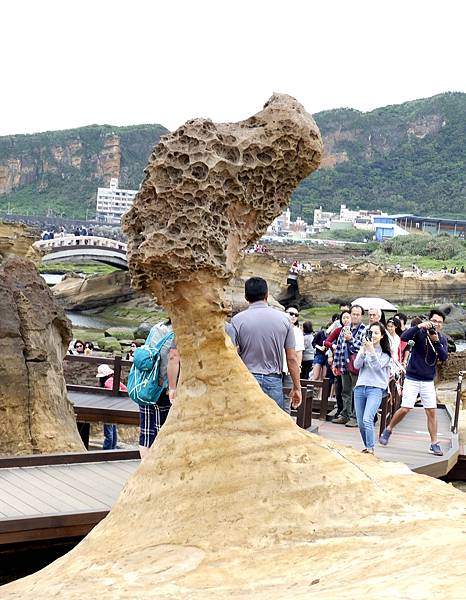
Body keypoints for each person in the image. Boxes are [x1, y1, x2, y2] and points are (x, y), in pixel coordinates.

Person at [379, 309, 448, 456]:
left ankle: (434, 443)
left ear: (442, 325)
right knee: (405, 408)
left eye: (440, 322)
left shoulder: (441, 339)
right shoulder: (420, 333)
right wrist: (419, 326)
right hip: (412, 377)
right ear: (430, 321)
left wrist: (436, 342)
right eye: (434, 321)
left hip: (428, 380)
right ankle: (389, 429)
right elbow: (404, 337)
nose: (436, 324)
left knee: (431, 412)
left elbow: (444, 357)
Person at [231, 277, 301, 412]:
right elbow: (292, 358)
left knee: (246, 424)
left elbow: (232, 354)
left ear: (246, 296)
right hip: (273, 380)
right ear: (267, 294)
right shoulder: (284, 320)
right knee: (274, 428)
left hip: (247, 379)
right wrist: (297, 387)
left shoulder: (237, 320)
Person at [138, 322, 180, 459]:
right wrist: (173, 387)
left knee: (146, 432)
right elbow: (173, 358)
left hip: (147, 385)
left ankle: (144, 468)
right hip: (164, 387)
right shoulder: (179, 331)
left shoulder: (157, 327)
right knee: (163, 431)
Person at [353, 322, 392, 454]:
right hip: (360, 387)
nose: (373, 335)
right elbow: (356, 365)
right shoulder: (364, 347)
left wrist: (371, 350)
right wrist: (364, 349)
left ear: (382, 336)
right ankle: (367, 446)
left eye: (376, 333)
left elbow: (377, 366)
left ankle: (370, 448)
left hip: (375, 389)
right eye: (371, 332)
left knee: (367, 418)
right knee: (360, 422)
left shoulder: (386, 353)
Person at [331, 305, 366, 427]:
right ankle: (345, 414)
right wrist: (336, 364)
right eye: (353, 314)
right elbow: (339, 347)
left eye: (358, 314)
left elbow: (363, 348)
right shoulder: (344, 329)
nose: (355, 316)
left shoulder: (364, 330)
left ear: (361, 316)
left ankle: (355, 417)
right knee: (345, 391)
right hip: (344, 364)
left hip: (357, 367)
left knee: (356, 392)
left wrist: (351, 339)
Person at [325, 310, 352, 417]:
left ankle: (348, 412)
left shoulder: (354, 330)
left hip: (351, 364)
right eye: (343, 317)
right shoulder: (338, 330)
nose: (345, 320)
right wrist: (333, 346)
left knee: (349, 390)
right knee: (340, 388)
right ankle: (340, 410)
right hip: (339, 364)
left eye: (347, 317)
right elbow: (326, 342)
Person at [96, 364, 128, 450]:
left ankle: (106, 452)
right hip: (116, 407)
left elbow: (111, 391)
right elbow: (124, 389)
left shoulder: (107, 382)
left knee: (108, 433)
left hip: (109, 407)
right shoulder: (114, 380)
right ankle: (112, 450)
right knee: (113, 430)